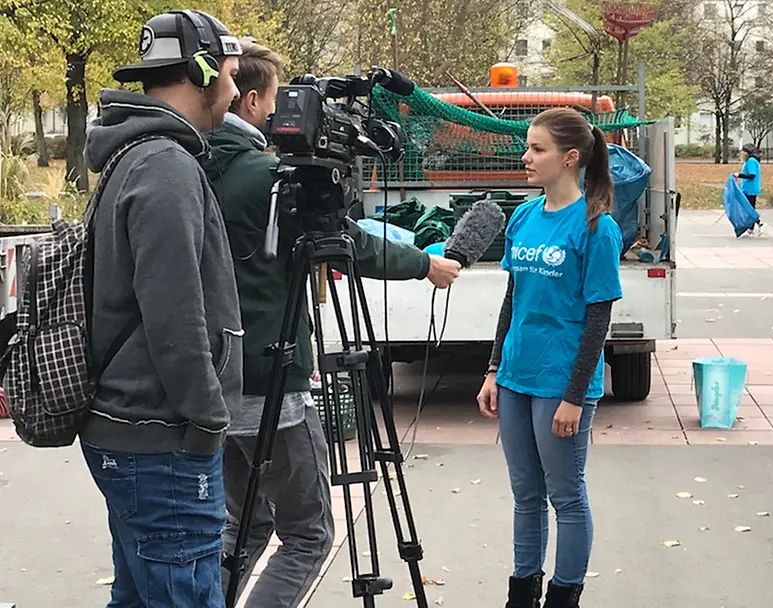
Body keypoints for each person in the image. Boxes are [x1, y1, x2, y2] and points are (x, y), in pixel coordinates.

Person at [200, 39, 462, 607]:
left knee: (239, 528)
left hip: (210, 382)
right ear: (251, 102)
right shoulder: (266, 177)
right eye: (276, 104)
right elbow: (344, 242)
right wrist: (424, 264)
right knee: (309, 535)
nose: (283, 118)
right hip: (272, 380)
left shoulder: (190, 163)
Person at [80, 9, 243, 607]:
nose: (234, 87)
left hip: (136, 430)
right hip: (161, 436)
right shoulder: (166, 165)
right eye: (230, 72)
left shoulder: (139, 156)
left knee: (139, 595)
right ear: (203, 74)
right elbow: (174, 312)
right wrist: (207, 420)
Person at [477, 108, 623, 608]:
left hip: (562, 383)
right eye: (528, 147)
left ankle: (564, 596)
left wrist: (574, 397)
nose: (526, 157)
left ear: (570, 158)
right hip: (516, 375)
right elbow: (512, 300)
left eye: (537, 149)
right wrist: (494, 369)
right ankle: (522, 593)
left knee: (566, 495)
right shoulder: (523, 216)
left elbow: (598, 321)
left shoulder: (596, 228)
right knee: (526, 496)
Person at [737, 143, 764, 236]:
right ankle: (750, 228)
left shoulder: (751, 161)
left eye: (743, 152)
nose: (742, 154)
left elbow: (752, 175)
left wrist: (739, 175)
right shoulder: (748, 161)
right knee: (749, 208)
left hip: (750, 189)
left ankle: (759, 223)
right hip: (747, 188)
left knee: (749, 209)